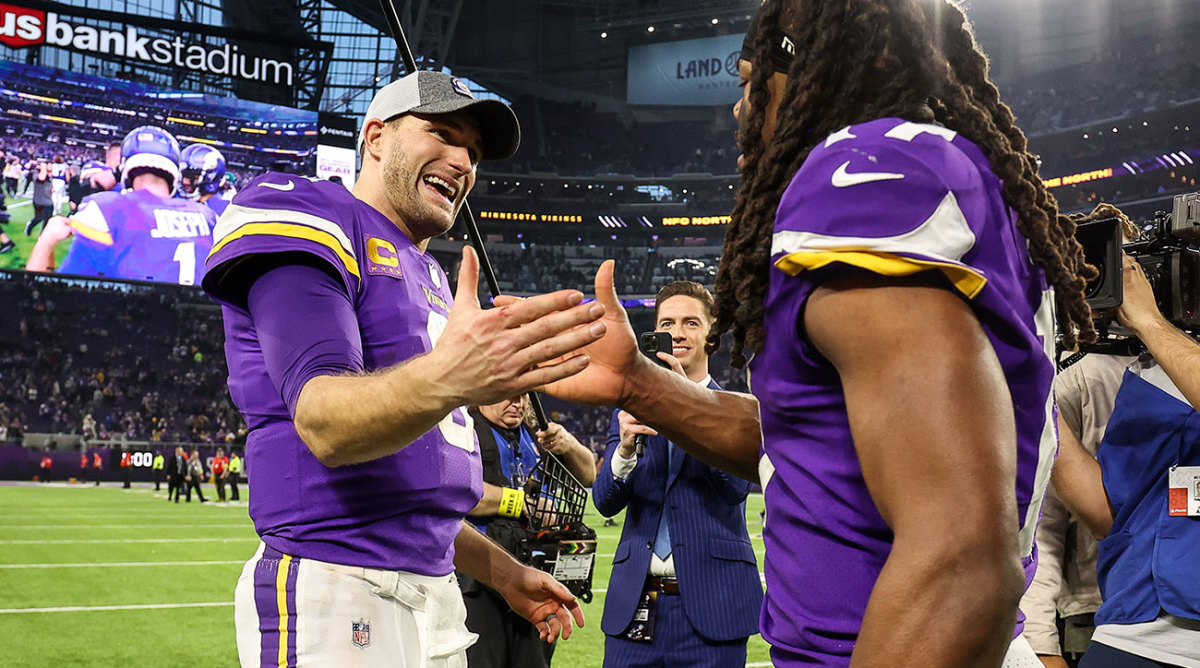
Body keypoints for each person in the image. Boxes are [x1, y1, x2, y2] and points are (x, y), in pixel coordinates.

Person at [538, 1, 1099, 665]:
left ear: (799, 69)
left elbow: (960, 557)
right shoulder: (936, 170)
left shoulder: (859, 176)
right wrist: (639, 384)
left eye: (750, 82)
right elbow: (828, 442)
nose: (740, 111)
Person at [200, 69, 601, 666]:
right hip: (339, 585)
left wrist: (505, 573)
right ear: (376, 137)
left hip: (438, 596)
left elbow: (416, 492)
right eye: (441, 134)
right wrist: (454, 376)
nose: (462, 160)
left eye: (473, 151)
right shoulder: (307, 209)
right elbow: (326, 423)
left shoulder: (433, 278)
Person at [592, 281, 762, 667]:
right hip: (636, 605)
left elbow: (736, 488)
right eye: (666, 323)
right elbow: (604, 502)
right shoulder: (628, 409)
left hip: (711, 607)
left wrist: (692, 409)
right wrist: (624, 449)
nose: (677, 333)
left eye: (690, 323)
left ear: (711, 336)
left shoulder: (738, 408)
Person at [1050, 249, 1200, 665]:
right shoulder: (1147, 371)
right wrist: (1039, 400)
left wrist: (1151, 321)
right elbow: (1109, 515)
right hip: (1129, 631)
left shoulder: (1159, 341)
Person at [461, 393, 596, 668]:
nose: (517, 403)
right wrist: (520, 502)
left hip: (537, 571)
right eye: (506, 395)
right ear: (484, 392)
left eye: (523, 396)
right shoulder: (466, 429)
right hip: (482, 576)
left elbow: (589, 474)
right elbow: (461, 492)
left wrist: (567, 443)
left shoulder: (538, 434)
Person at [25, 126, 218, 286]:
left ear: (126, 166)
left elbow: (43, 294)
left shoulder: (106, 209)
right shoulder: (208, 217)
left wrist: (46, 241)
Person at [179, 144, 230, 217]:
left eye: (194, 178)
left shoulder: (224, 208)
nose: (185, 182)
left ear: (211, 178)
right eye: (184, 176)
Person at [24, 161, 52, 237]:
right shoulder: (36, 173)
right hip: (39, 201)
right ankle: (30, 226)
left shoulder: (50, 175)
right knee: (39, 218)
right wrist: (43, 167)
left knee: (48, 220)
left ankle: (42, 235)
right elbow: (41, 178)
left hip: (48, 201)